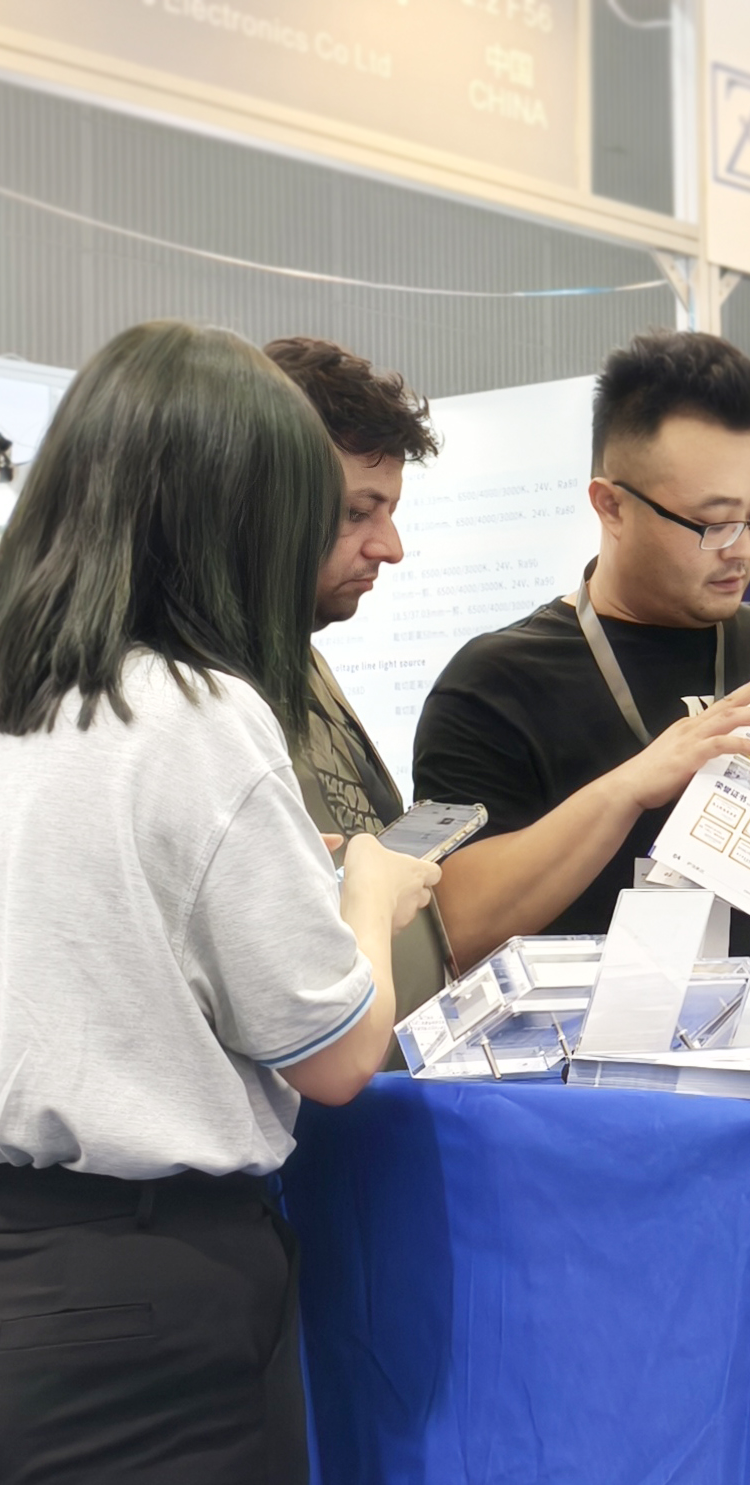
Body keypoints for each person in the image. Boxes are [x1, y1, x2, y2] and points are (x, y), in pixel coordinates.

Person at [0, 320, 440, 1485]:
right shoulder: (197, 716)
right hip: (130, 1320)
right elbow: (336, 1056)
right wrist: (368, 896)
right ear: (233, 514)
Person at [413, 330, 750, 960]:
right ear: (611, 506)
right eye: (713, 523)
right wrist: (628, 788)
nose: (743, 549)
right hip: (584, 1025)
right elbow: (452, 928)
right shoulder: (496, 682)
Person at [264, 335, 453, 1019]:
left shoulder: (301, 658)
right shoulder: (206, 692)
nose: (389, 548)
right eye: (355, 512)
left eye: (389, 512)